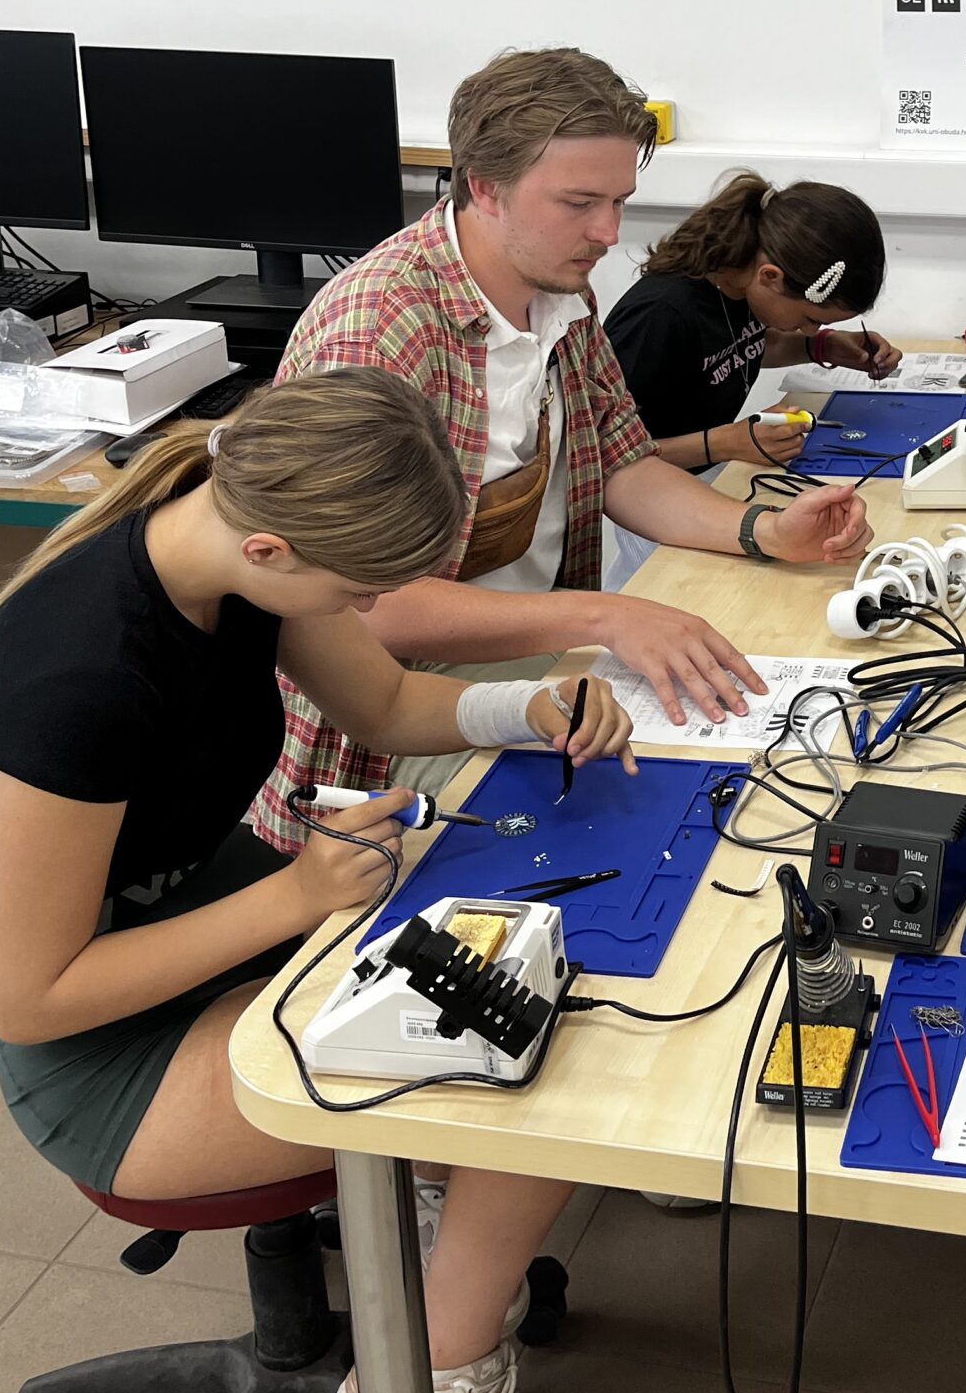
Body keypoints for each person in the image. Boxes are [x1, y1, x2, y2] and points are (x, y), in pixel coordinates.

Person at [0, 370, 641, 1393]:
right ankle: (433, 1376)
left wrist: (534, 704)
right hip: (95, 1047)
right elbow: (29, 996)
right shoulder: (81, 681)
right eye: (357, 590)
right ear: (272, 548)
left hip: (201, 912)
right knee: (526, 1064)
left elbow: (389, 698)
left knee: (534, 961)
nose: (366, 608)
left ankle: (437, 1223)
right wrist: (297, 896)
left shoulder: (236, 557)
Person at [250, 47, 868, 853]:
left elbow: (620, 461)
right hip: (391, 717)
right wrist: (605, 615)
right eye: (580, 203)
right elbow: (372, 604)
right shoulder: (380, 330)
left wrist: (763, 531)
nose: (608, 234)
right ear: (484, 186)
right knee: (676, 821)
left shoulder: (558, 289)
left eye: (618, 202)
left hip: (536, 652)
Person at [606, 171, 900, 473]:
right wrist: (723, 444)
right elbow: (601, 453)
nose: (813, 329)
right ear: (770, 277)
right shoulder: (658, 316)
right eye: (811, 319)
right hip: (646, 487)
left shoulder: (737, 281)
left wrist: (821, 347)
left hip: (698, 471)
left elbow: (736, 349)